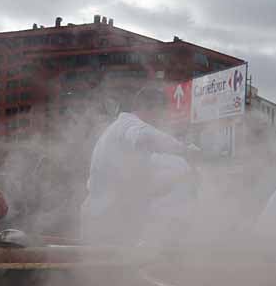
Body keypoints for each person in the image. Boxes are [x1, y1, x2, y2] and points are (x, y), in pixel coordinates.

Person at [80, 87, 196, 245]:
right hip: (107, 219)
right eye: (161, 113)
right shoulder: (129, 125)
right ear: (147, 108)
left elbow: (147, 178)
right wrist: (184, 150)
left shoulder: (128, 144)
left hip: (109, 217)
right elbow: (144, 136)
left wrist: (182, 174)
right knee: (113, 267)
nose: (161, 119)